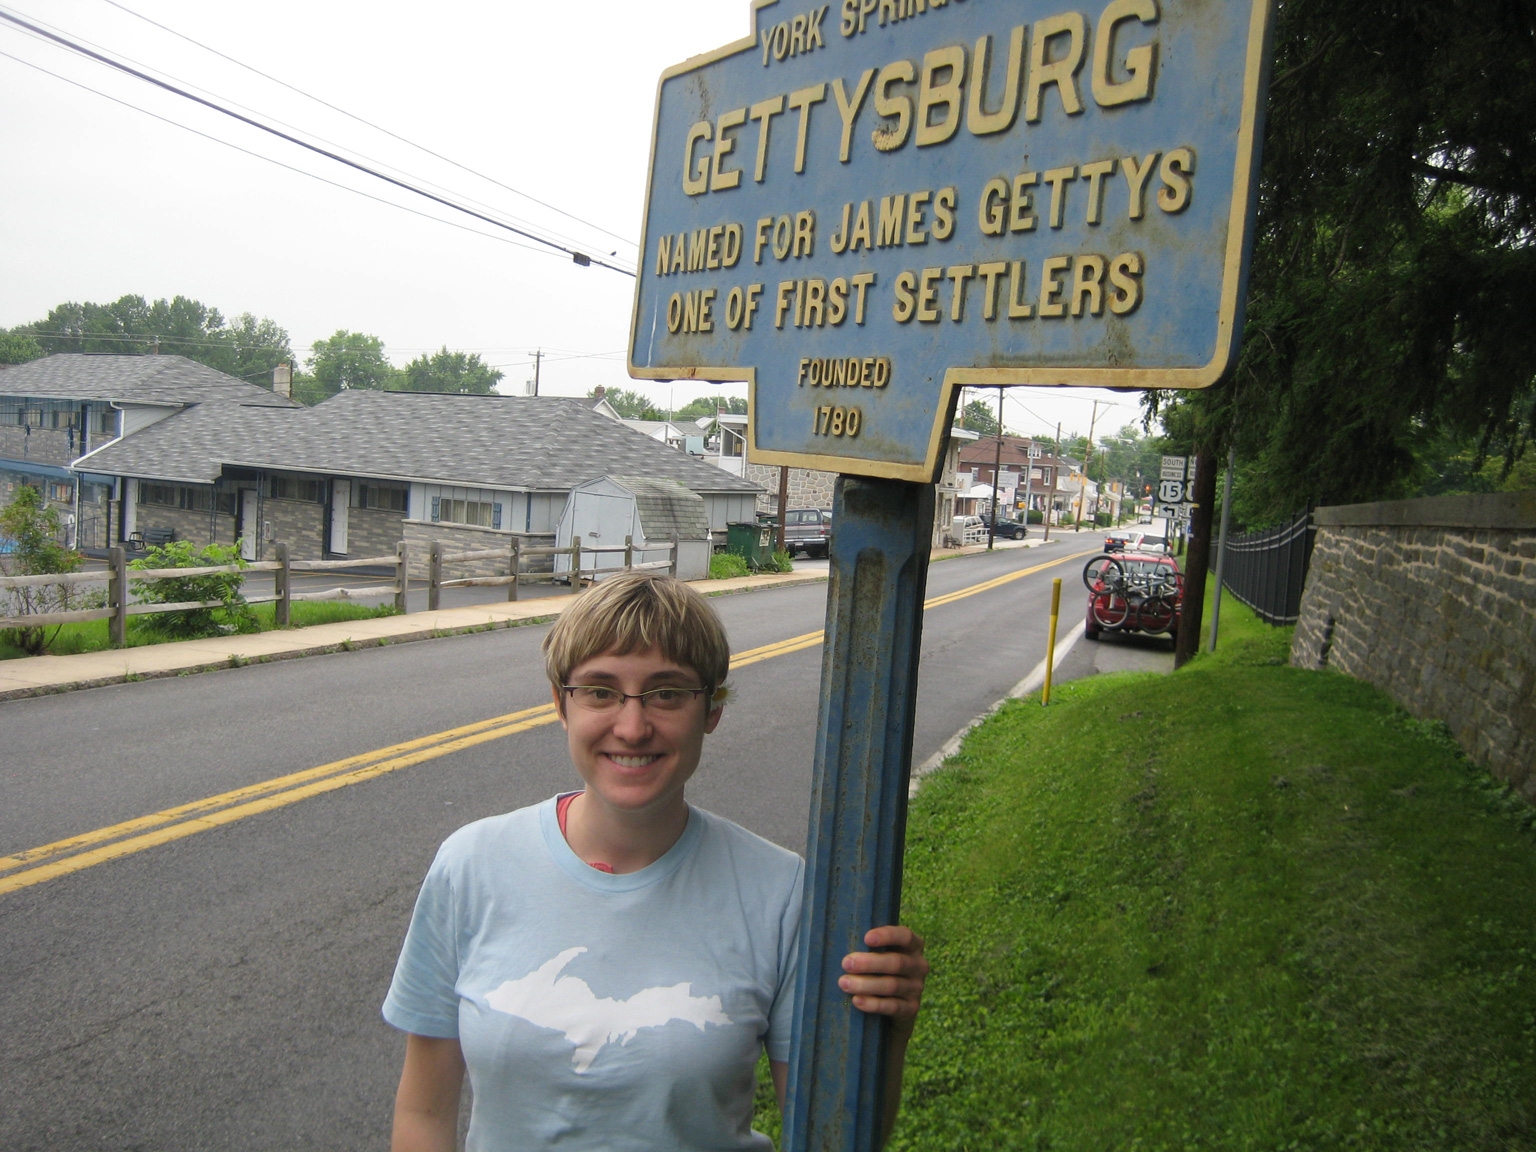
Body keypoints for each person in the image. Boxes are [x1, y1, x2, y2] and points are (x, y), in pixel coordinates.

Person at [384, 571, 928, 1151]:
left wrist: (886, 1036)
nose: (632, 726)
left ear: (712, 709)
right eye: (600, 691)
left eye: (667, 693)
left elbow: (829, 1137)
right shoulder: (471, 866)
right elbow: (423, 1112)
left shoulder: (780, 891)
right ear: (559, 704)